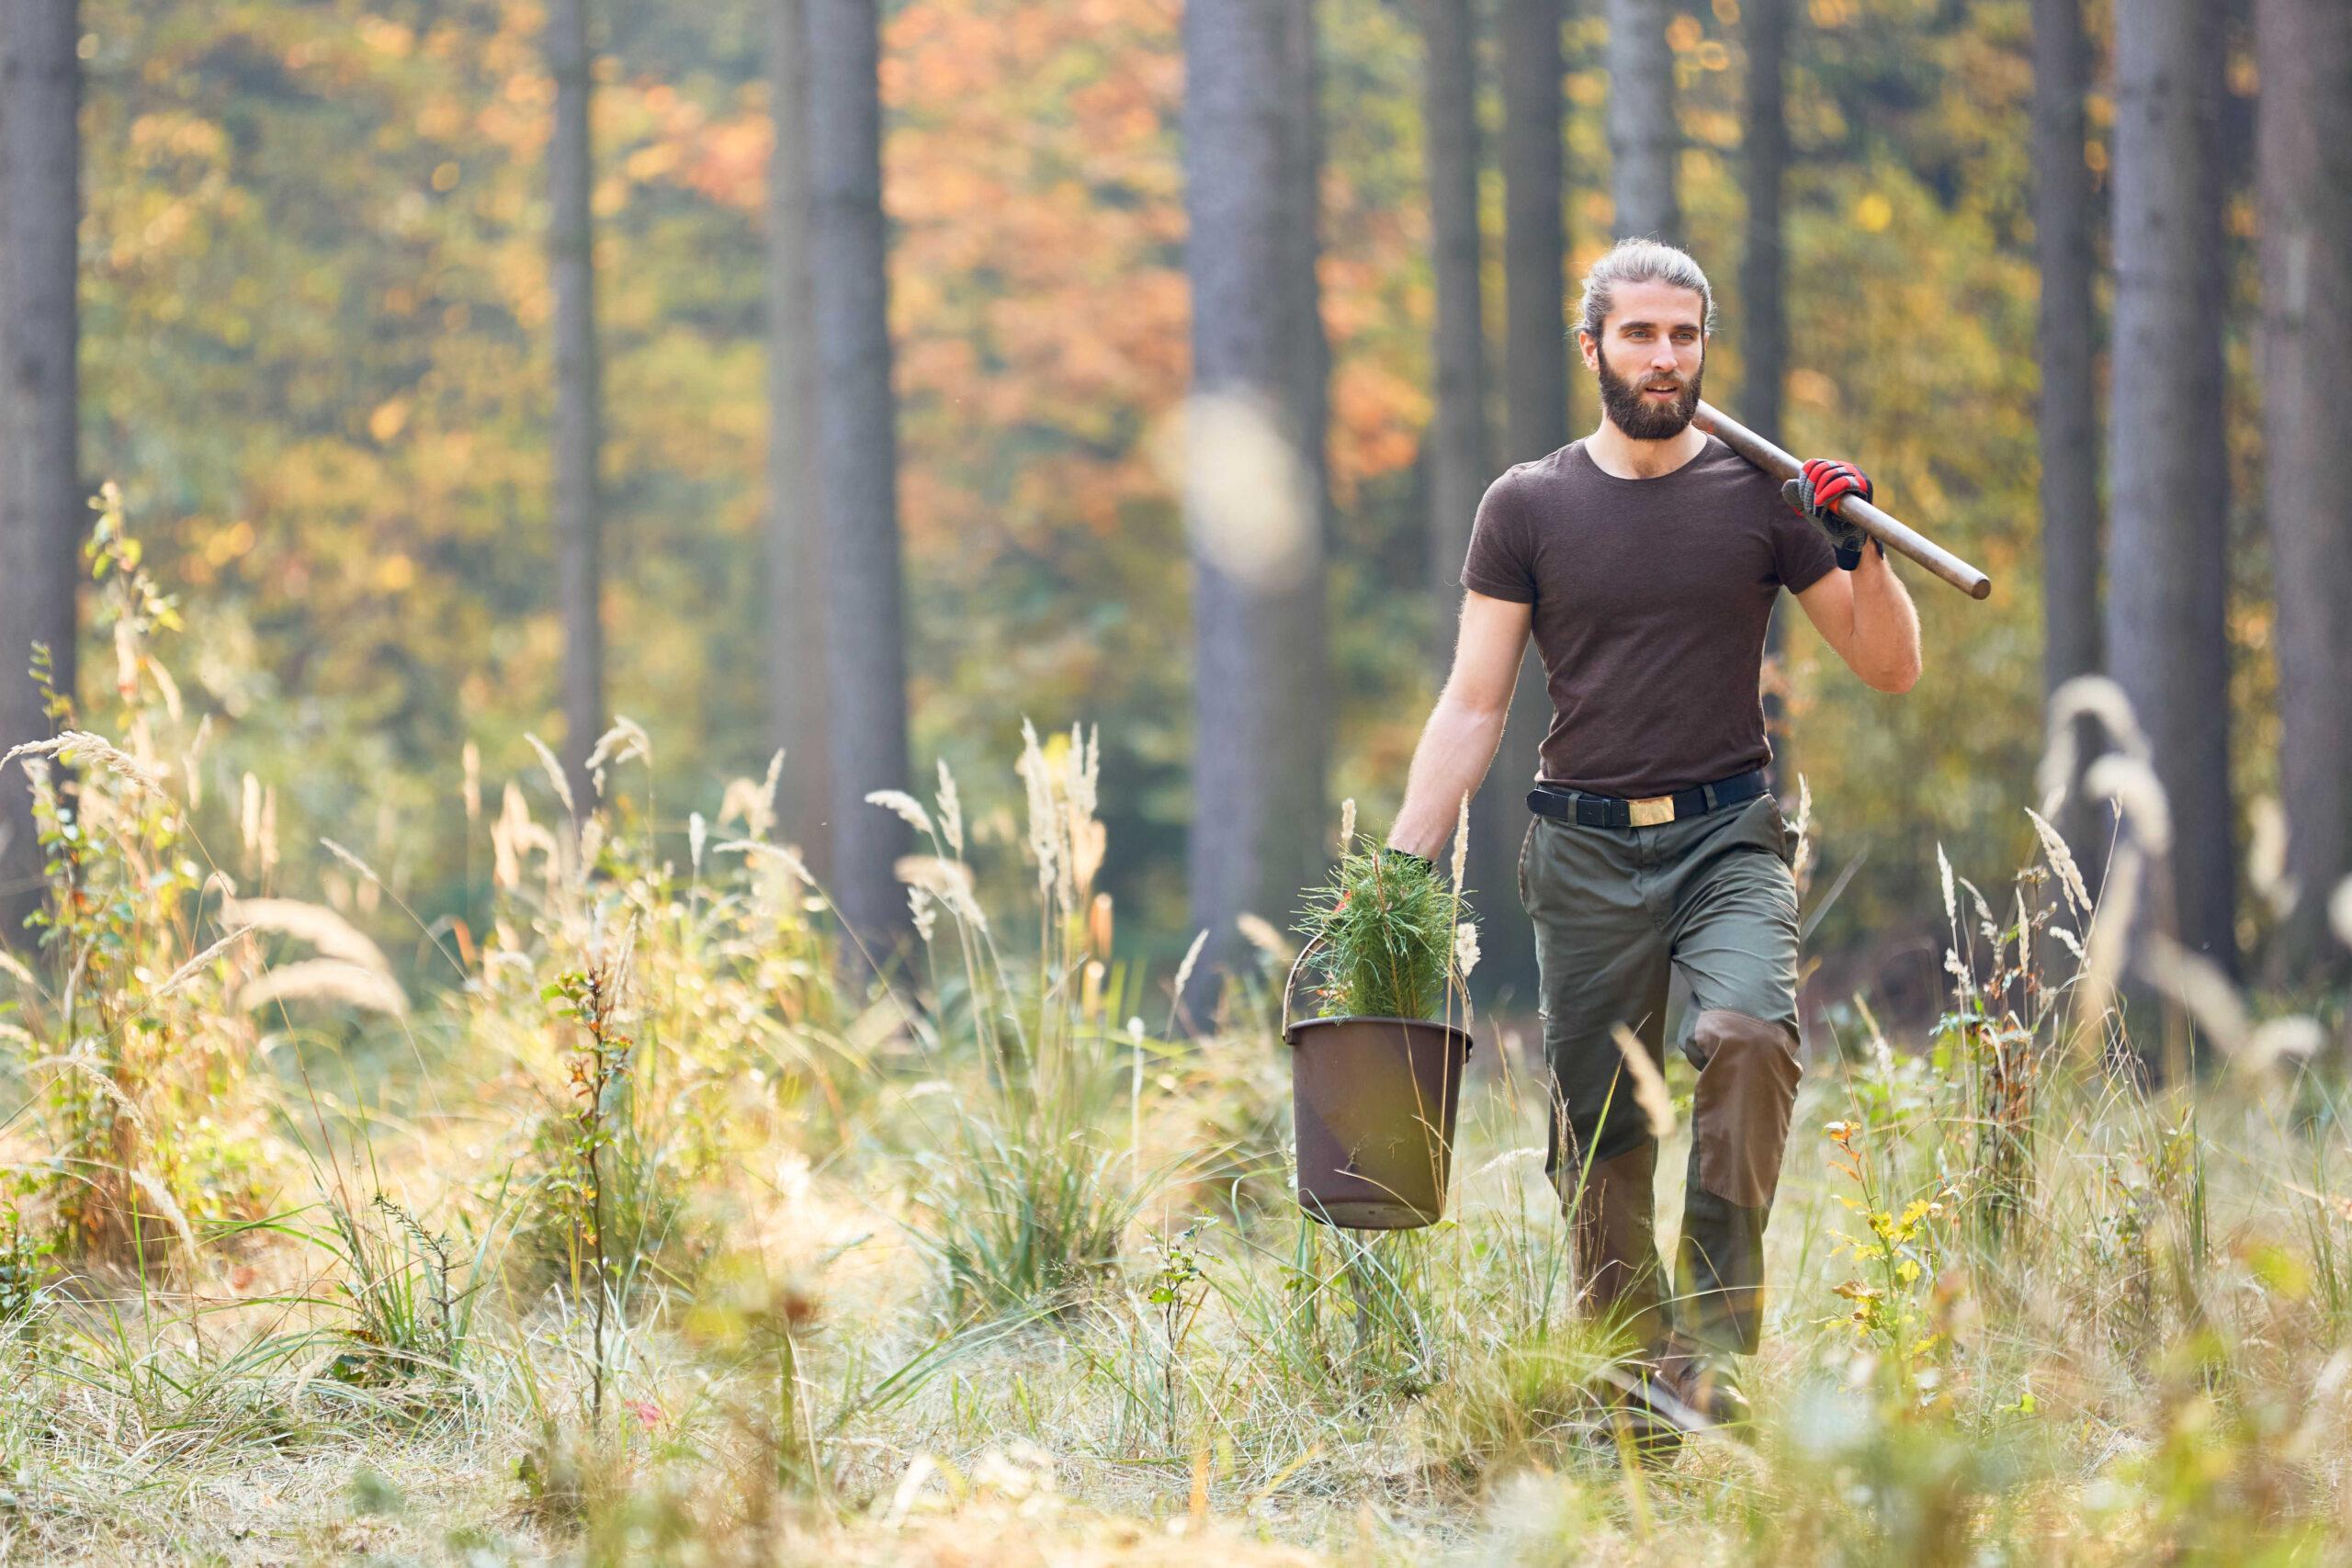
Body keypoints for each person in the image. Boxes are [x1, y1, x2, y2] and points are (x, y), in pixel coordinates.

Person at [1384, 238, 1921, 1435]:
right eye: (1640, 333)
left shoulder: (1764, 498)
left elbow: (1888, 666)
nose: (1665, 355)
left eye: (1684, 334)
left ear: (1703, 348)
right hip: (1578, 849)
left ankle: (1716, 1360)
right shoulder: (1527, 505)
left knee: (1744, 1038)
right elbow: (1474, 702)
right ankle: (1633, 1385)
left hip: (1727, 837)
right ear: (1594, 349)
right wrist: (1400, 864)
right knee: (1600, 1133)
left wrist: (1862, 544)